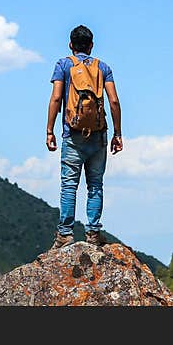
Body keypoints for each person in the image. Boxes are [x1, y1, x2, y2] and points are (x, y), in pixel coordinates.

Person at [46, 25, 123, 249]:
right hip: (99, 135)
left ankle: (65, 235)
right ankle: (93, 233)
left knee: (69, 185)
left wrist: (49, 130)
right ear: (91, 45)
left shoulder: (64, 65)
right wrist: (117, 133)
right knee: (95, 185)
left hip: (73, 133)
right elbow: (114, 101)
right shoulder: (103, 68)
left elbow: (56, 98)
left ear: (70, 44)